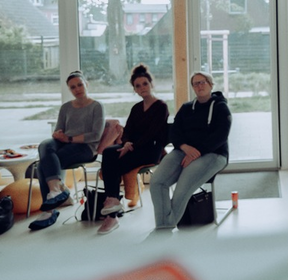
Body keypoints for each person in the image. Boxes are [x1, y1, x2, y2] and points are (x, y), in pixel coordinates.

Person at [149, 71, 231, 231]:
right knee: (157, 182)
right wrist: (185, 148)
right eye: (196, 83)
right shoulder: (186, 108)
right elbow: (174, 133)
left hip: (214, 154)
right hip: (184, 151)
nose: (199, 86)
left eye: (203, 82)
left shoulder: (221, 107)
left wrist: (196, 153)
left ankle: (162, 232)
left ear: (211, 84)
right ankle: (163, 228)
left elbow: (220, 136)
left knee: (182, 188)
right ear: (192, 87)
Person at [96, 64, 169, 235]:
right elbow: (128, 130)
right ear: (134, 90)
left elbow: (153, 134)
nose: (142, 88)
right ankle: (113, 202)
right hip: (132, 148)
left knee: (111, 167)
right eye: (138, 86)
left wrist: (131, 146)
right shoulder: (136, 108)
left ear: (151, 84)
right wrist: (127, 142)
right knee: (108, 153)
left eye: (145, 83)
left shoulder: (161, 106)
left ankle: (112, 213)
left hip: (151, 149)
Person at [31, 70, 105, 230]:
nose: (77, 89)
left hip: (85, 148)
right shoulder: (66, 107)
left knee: (44, 164)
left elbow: (95, 135)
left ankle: (50, 209)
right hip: (64, 144)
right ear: (69, 90)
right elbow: (59, 130)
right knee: (45, 145)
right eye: (73, 87)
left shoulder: (96, 106)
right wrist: (57, 134)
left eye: (80, 84)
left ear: (87, 84)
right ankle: (56, 191)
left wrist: (70, 139)